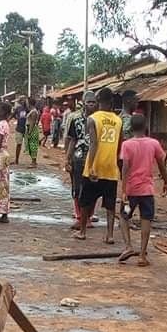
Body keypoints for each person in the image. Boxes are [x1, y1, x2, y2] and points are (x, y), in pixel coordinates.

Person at [118, 114, 167, 266]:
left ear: (131, 128)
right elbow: (161, 164)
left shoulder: (127, 145)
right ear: (145, 127)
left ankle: (128, 246)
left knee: (123, 216)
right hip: (147, 190)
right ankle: (142, 255)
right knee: (146, 219)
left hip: (130, 191)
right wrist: (166, 182)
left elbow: (125, 168)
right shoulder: (153, 143)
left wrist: (123, 190)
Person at [74, 87, 123, 243]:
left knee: (85, 201)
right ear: (111, 102)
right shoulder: (118, 120)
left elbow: (94, 143)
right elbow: (120, 144)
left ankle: (82, 232)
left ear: (99, 101)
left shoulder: (93, 119)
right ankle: (109, 235)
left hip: (94, 166)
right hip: (111, 167)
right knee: (110, 205)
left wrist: (92, 166)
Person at [64, 94, 95, 228]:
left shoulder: (98, 120)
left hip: (94, 158)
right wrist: (67, 159)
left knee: (93, 188)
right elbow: (72, 139)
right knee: (77, 188)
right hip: (78, 157)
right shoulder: (75, 119)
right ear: (83, 103)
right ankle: (80, 216)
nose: (91, 105)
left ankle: (88, 216)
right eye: (89, 102)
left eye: (94, 102)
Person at [24, 99, 41, 168]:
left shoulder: (34, 111)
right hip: (30, 128)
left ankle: (34, 162)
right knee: (31, 145)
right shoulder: (33, 111)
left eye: (27, 102)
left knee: (33, 145)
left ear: (30, 103)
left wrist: (29, 132)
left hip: (32, 129)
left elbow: (32, 123)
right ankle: (33, 161)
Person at [14, 98, 28, 165]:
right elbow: (13, 115)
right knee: (19, 144)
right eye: (22, 100)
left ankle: (33, 161)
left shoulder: (28, 109)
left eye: (24, 100)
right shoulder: (18, 108)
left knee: (29, 144)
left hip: (27, 128)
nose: (23, 101)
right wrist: (17, 118)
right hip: (19, 128)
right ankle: (16, 160)